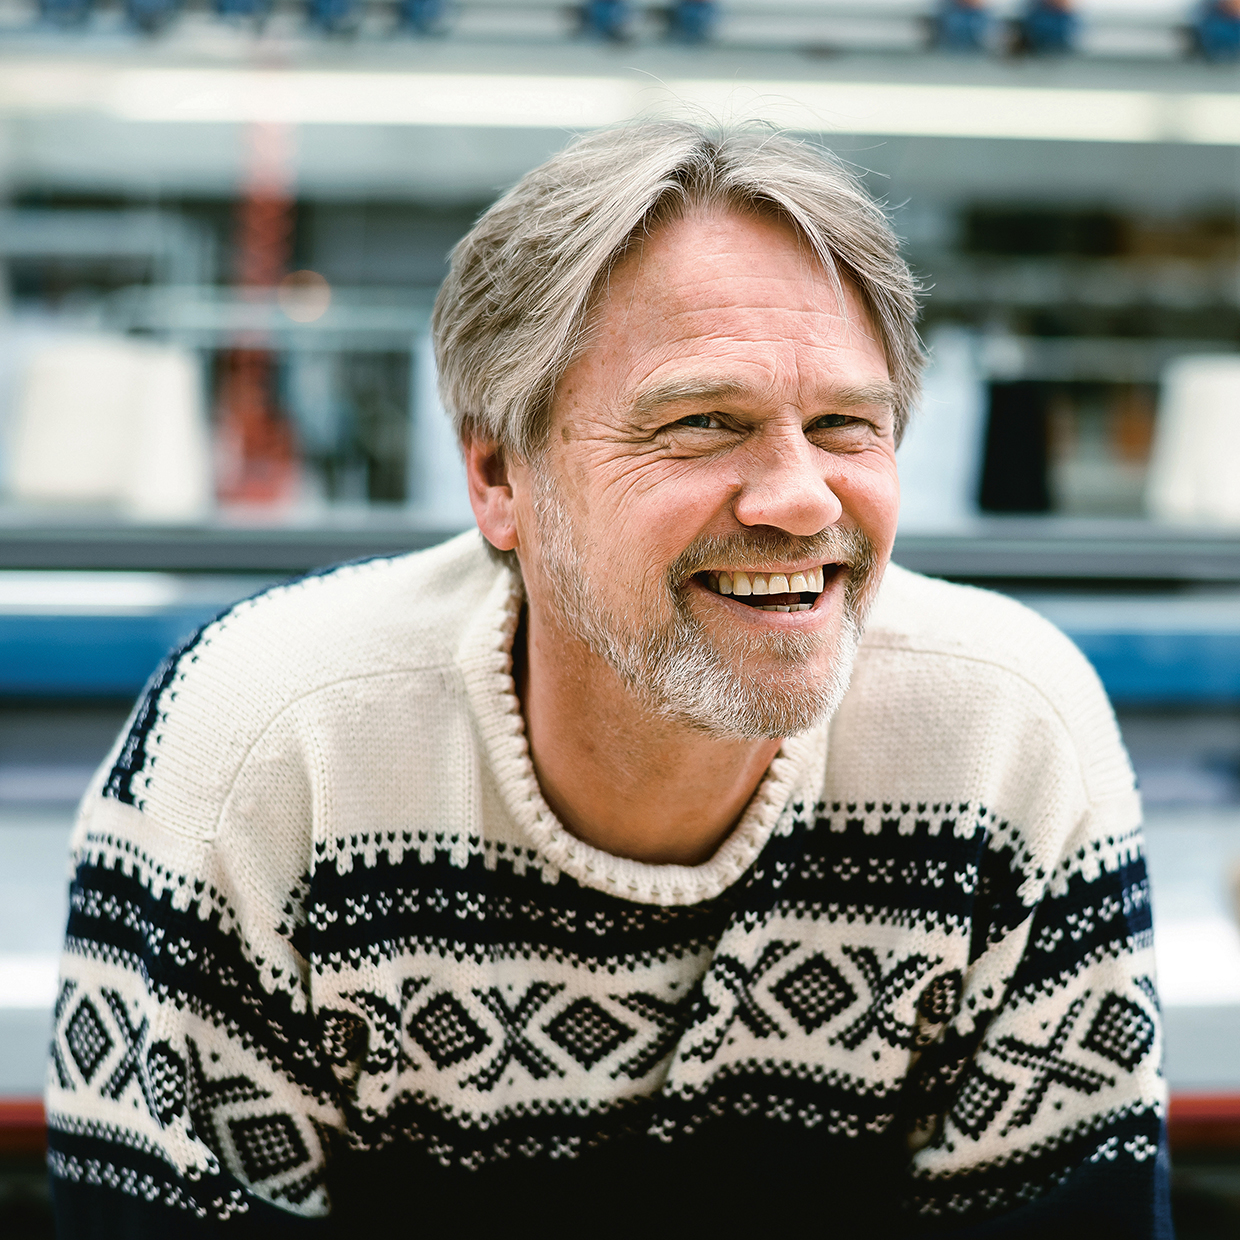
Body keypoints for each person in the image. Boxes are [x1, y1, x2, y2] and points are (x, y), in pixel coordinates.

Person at [47, 123, 1169, 1237]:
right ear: (498, 473)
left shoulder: (1007, 738)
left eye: (845, 426)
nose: (802, 499)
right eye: (699, 424)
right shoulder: (266, 745)